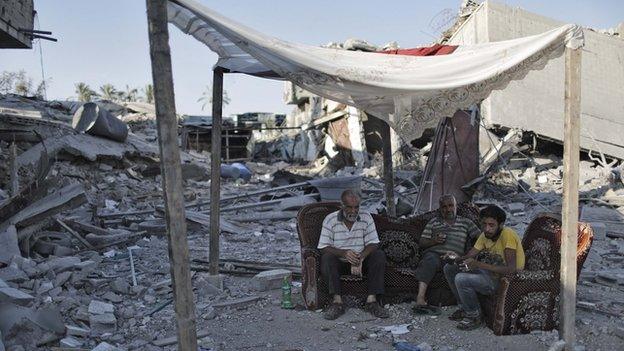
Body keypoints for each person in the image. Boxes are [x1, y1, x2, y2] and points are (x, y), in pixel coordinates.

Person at [443, 205, 525, 330]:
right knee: (449, 268)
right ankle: (465, 308)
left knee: (461, 278)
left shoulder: (507, 235)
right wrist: (454, 258)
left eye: (491, 225)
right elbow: (469, 256)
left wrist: (478, 264)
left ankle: (474, 315)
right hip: (491, 273)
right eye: (484, 224)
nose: (487, 229)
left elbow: (511, 269)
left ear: (501, 225)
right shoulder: (484, 235)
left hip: (505, 280)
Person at [318, 189, 390, 320]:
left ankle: (371, 301)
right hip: (340, 262)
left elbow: (374, 243)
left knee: (379, 255)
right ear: (342, 206)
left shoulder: (366, 217)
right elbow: (323, 247)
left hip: (361, 261)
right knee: (327, 258)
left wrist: (361, 257)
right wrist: (344, 253)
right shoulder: (330, 220)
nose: (353, 211)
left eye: (356, 207)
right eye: (349, 207)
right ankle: (337, 302)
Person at [412, 195, 480, 315]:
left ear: (456, 206)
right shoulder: (433, 222)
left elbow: (481, 238)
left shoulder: (466, 222)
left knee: (454, 266)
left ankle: (464, 305)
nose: (448, 209)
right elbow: (422, 242)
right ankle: (420, 298)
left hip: (454, 256)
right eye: (444, 207)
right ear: (439, 209)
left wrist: (471, 254)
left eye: (451, 205)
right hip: (434, 255)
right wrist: (434, 241)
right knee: (429, 260)